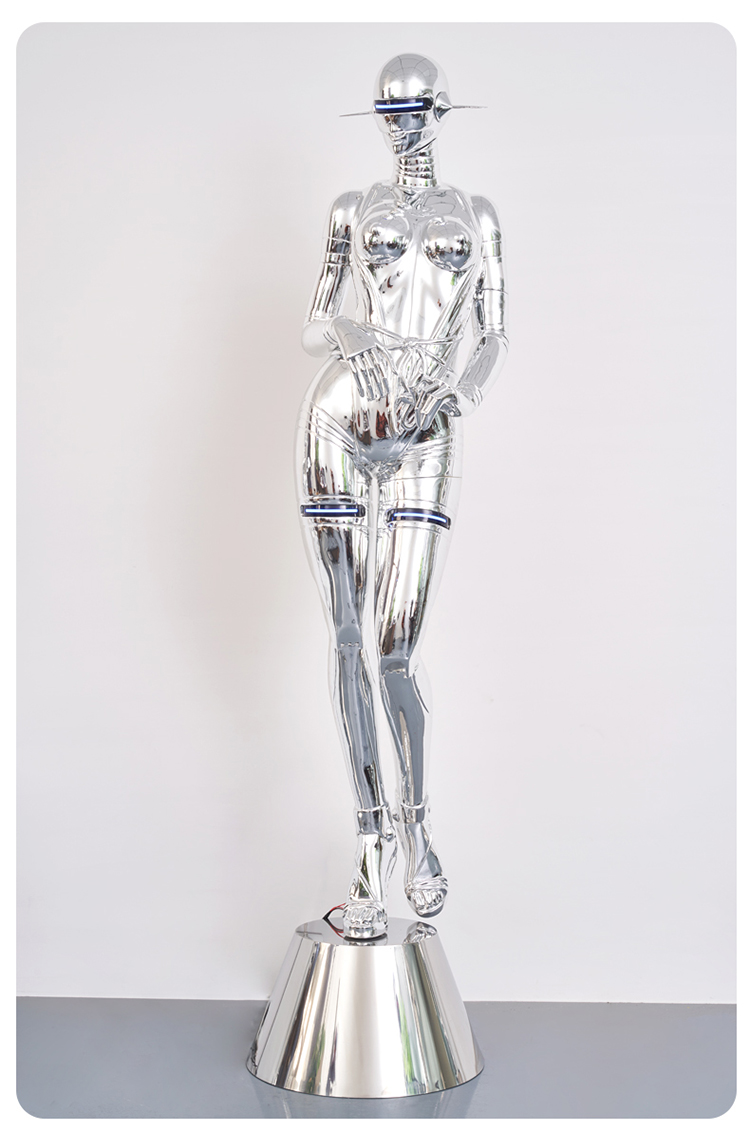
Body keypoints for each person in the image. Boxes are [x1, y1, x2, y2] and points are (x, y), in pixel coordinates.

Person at [296, 53, 507, 940]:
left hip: (426, 427)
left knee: (393, 650)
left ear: (440, 112)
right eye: (388, 114)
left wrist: (460, 394)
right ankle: (369, 846)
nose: (401, 127)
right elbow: (313, 322)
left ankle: (418, 832)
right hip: (340, 419)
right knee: (346, 637)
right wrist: (347, 325)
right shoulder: (353, 209)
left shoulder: (477, 215)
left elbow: (495, 334)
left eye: (414, 111)